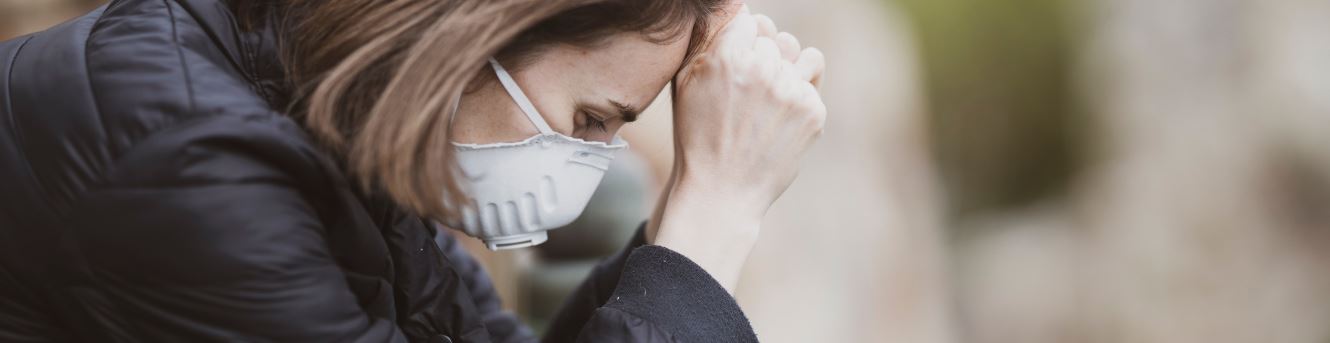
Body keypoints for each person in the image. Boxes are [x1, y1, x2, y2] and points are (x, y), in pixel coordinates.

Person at [0, 0, 826, 341]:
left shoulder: (330, 144)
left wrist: (688, 208)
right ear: (477, 35)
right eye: (590, 120)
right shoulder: (185, 160)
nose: (589, 161)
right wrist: (717, 212)